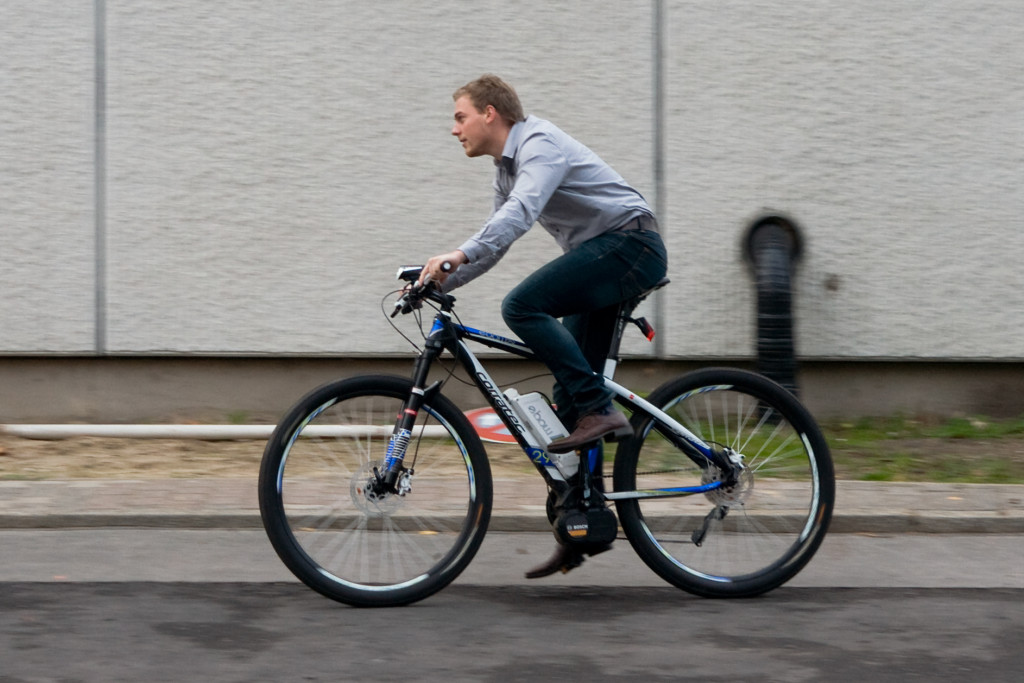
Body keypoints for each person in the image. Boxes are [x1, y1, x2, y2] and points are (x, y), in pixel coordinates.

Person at [420, 74, 668, 578]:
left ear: (491, 113)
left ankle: (602, 410)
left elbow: (521, 212)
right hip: (605, 256)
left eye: (460, 116)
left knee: (523, 306)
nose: (454, 129)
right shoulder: (506, 169)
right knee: (566, 403)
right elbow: (498, 243)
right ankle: (581, 523)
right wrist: (441, 282)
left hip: (630, 247)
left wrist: (458, 253)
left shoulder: (540, 144)